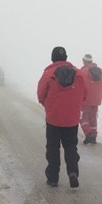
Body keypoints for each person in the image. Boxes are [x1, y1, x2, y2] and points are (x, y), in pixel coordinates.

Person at [37, 46, 86, 188]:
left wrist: (50, 107)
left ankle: (52, 178)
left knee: (52, 148)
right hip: (72, 119)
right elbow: (84, 94)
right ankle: (72, 172)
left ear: (52, 58)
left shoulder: (48, 74)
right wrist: (74, 107)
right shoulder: (79, 74)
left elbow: (41, 95)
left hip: (53, 119)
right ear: (66, 58)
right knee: (71, 147)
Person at [80, 54, 102, 144]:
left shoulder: (83, 72)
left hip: (85, 100)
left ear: (84, 61)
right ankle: (94, 137)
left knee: (83, 118)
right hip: (96, 100)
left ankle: (88, 134)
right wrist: (98, 92)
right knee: (93, 118)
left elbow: (79, 86)